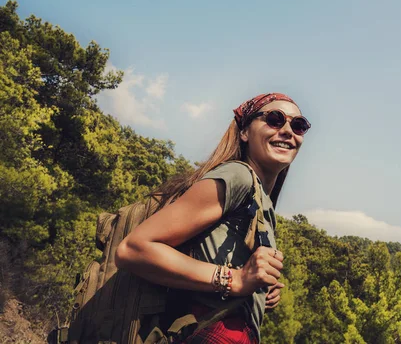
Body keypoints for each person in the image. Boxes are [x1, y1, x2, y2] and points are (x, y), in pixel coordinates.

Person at [115, 93, 311, 343]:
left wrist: (257, 294)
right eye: (274, 119)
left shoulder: (259, 198)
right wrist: (236, 279)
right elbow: (134, 249)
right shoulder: (237, 176)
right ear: (245, 133)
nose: (287, 130)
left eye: (298, 125)